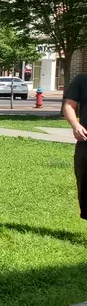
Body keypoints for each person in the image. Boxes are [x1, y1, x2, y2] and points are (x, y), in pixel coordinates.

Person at [62, 72, 87, 220]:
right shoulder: (82, 80)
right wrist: (75, 125)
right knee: (85, 186)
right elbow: (69, 105)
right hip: (85, 143)